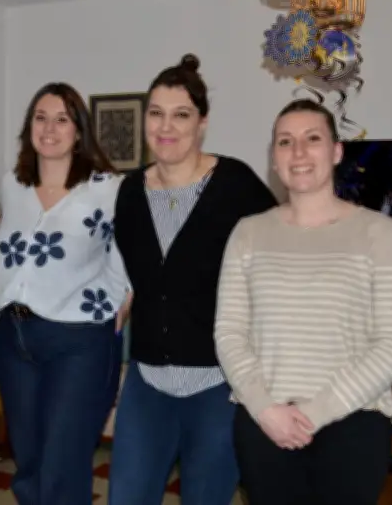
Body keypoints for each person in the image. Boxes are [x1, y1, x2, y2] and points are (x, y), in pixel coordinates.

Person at [215, 99, 392, 505]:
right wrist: (265, 408)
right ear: (274, 158)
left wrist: (315, 412)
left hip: (354, 423)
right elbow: (229, 333)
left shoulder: (379, 232)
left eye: (312, 139)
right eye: (285, 142)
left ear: (336, 151)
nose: (299, 152)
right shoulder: (247, 233)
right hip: (266, 422)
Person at [108, 54, 278, 505]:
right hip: (147, 382)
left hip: (218, 384)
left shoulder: (235, 183)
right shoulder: (129, 191)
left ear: (202, 123)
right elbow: (128, 265)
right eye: (157, 113)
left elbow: (277, 256)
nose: (167, 126)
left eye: (181, 115)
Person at [0, 82, 131, 505]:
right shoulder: (12, 185)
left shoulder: (109, 188)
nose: (49, 129)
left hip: (78, 340)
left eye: (62, 119)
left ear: (79, 131)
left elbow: (130, 254)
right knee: (29, 464)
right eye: (41, 118)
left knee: (62, 464)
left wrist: (123, 303)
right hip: (14, 338)